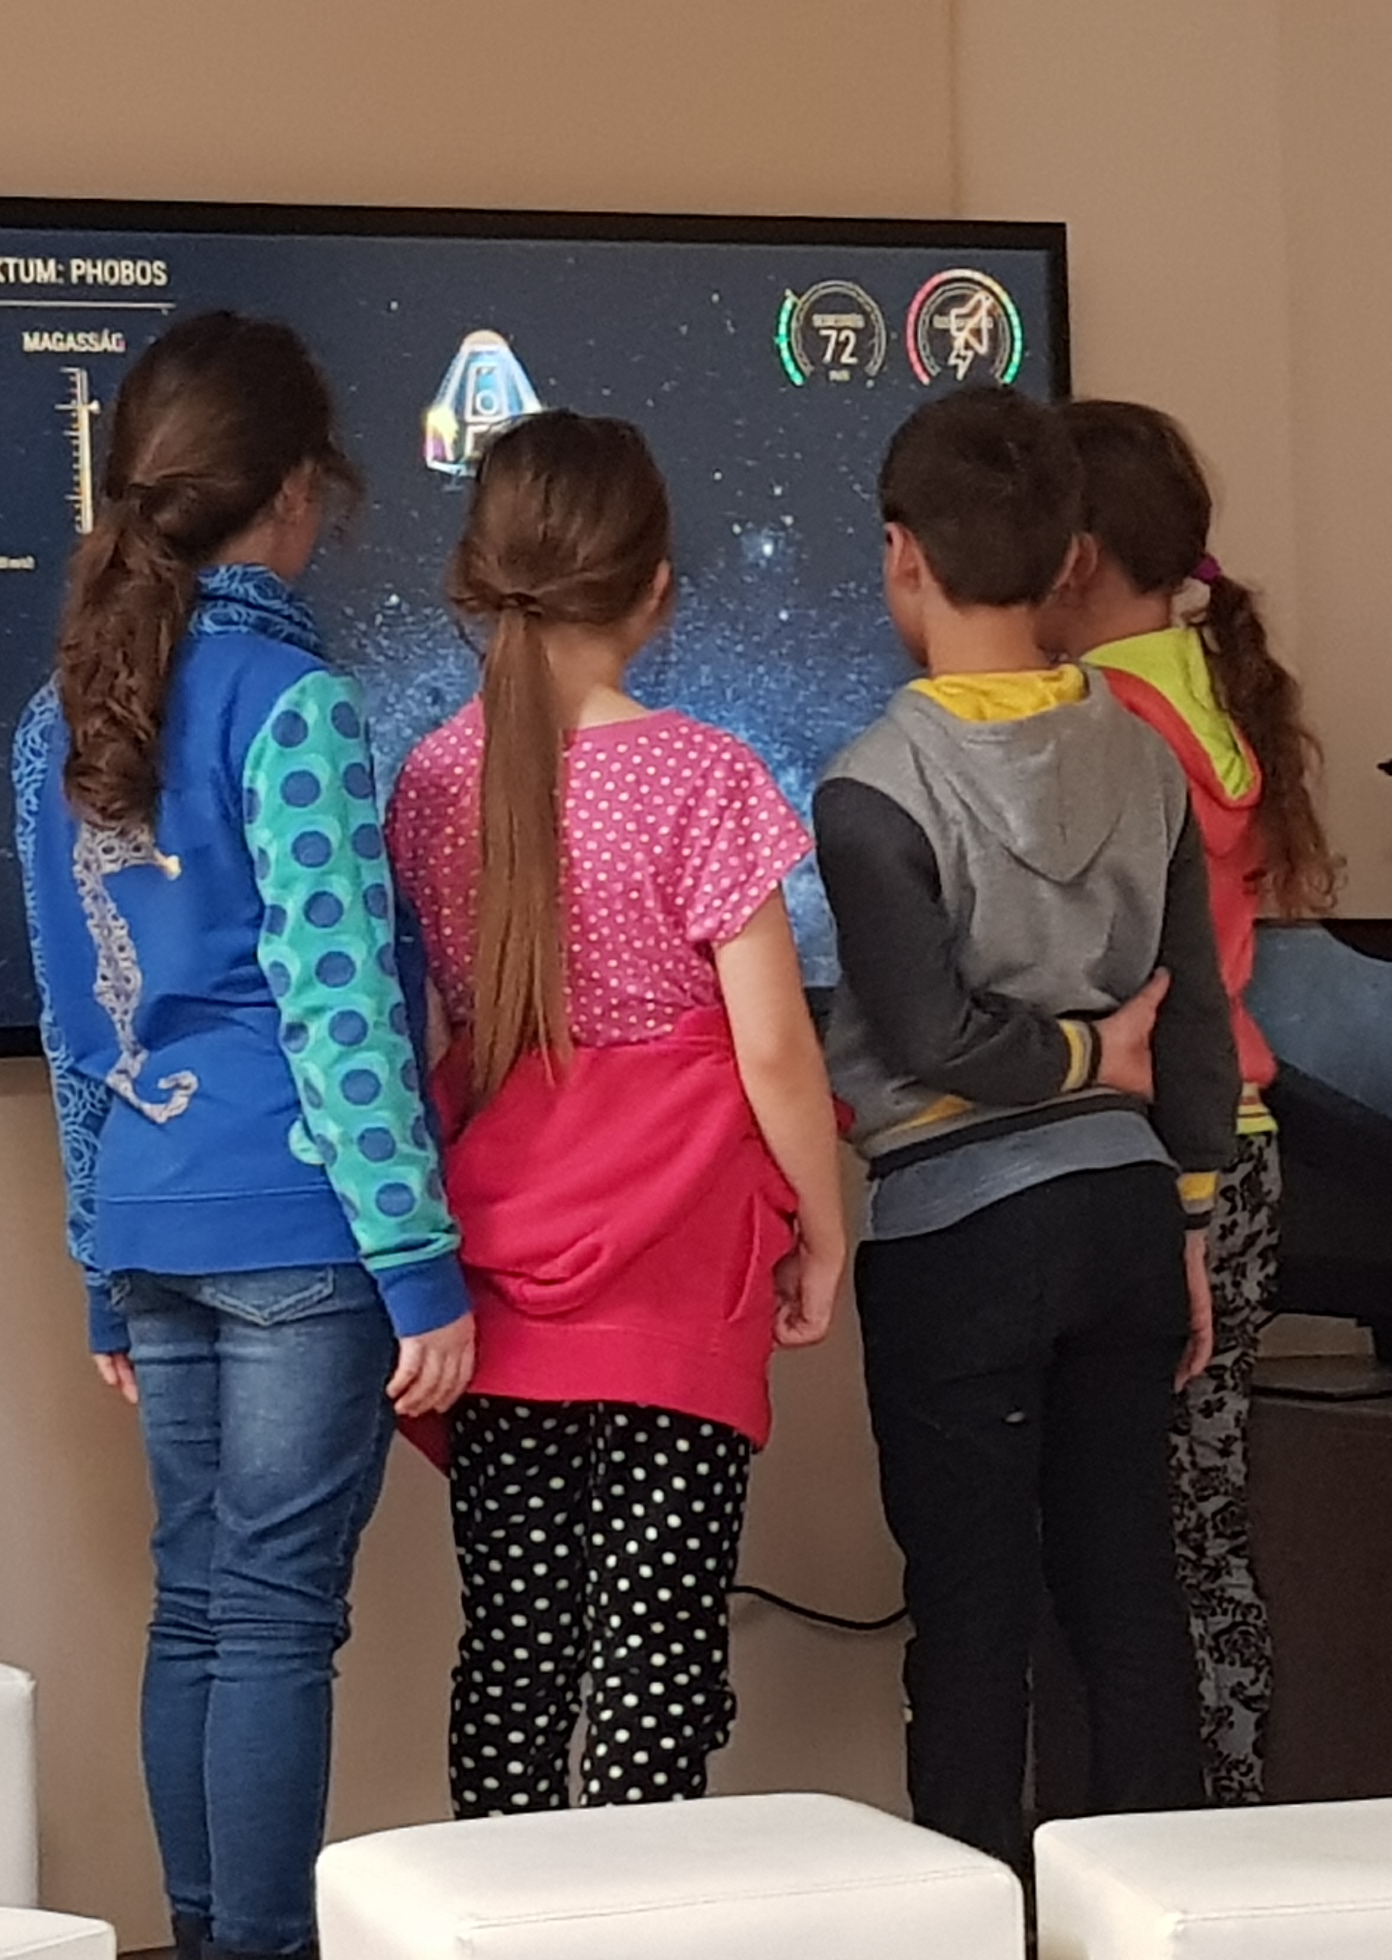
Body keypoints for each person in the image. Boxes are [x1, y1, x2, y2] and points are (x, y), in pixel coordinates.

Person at [10, 311, 473, 1960]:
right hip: (295, 1222)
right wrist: (421, 1267)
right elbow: (342, 1009)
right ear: (296, 490)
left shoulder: (56, 717)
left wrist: (98, 1260)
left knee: (199, 1603)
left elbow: (76, 1020)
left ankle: (210, 1937)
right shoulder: (295, 702)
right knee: (276, 1619)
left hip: (150, 1215)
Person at [385, 410, 851, 1816]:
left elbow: (431, 1036)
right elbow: (776, 1050)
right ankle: (637, 1907)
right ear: (656, 587)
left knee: (514, 1654)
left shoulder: (429, 780)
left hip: (500, 1257)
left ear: (480, 578)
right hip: (681, 1265)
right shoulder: (704, 774)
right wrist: (824, 1229)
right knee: (659, 1656)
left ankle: (500, 1906)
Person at [816, 384, 1242, 1869]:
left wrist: (1066, 1055)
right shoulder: (1143, 758)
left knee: (973, 1611)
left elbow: (927, 1036)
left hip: (961, 1235)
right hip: (1125, 1212)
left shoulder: (871, 788)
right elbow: (1190, 1019)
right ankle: (1162, 1913)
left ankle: (979, 1914)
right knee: (1128, 1590)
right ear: (1071, 556)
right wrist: (1190, 1214)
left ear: (901, 555)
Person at [1042, 398, 1339, 1808]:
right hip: (1242, 1146)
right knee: (1200, 1517)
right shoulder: (1211, 696)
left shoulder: (1102, 719)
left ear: (1071, 557)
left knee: (1121, 1530)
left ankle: (1159, 1825)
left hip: (1156, 1146)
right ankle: (1226, 1812)